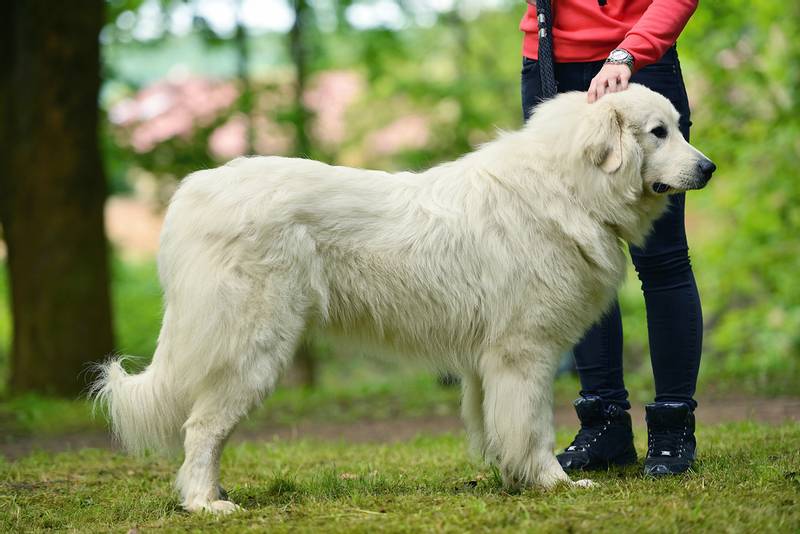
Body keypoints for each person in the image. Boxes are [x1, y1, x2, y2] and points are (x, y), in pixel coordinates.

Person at [519, 0, 703, 476]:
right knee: (574, 260)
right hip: (551, 67)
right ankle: (603, 426)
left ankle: (673, 428)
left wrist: (629, 53)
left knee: (662, 259)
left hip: (642, 65)